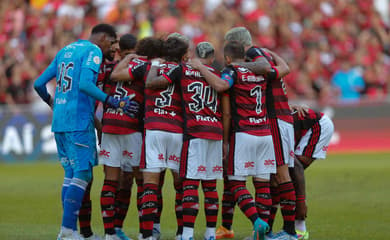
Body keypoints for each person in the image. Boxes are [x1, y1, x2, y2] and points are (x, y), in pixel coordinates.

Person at [33, 23, 138, 240]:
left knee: (71, 175)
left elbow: (38, 84)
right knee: (82, 173)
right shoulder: (93, 51)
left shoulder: (66, 50)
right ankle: (68, 232)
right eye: (113, 41)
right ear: (103, 37)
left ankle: (69, 231)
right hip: (78, 121)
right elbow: (85, 85)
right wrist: (113, 102)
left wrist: (52, 103)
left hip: (60, 121)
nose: (114, 46)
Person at [224, 27, 298, 240]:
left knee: (281, 175)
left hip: (273, 120)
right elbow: (281, 69)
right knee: (269, 179)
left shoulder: (255, 55)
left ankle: (291, 231)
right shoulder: (262, 55)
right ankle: (265, 233)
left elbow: (272, 69)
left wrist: (236, 65)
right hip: (274, 119)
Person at [109, 36, 165, 240]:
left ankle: (141, 229)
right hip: (136, 130)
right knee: (141, 182)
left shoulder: (139, 66)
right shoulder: (144, 66)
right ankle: (142, 230)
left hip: (136, 129)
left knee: (132, 181)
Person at [140, 35, 189, 240]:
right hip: (176, 130)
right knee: (180, 185)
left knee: (150, 184)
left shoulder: (152, 68)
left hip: (154, 128)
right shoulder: (185, 71)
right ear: (183, 55)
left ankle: (148, 234)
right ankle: (181, 233)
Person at [97, 33, 142, 240]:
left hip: (109, 126)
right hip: (132, 128)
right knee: (139, 180)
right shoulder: (141, 66)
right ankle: (146, 231)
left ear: (118, 50)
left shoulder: (106, 69)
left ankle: (111, 232)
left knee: (111, 180)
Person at [289, 105, 334, 240]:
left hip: (318, 126)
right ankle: (291, 228)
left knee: (290, 172)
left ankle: (299, 228)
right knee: (282, 177)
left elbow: (296, 166)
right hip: (302, 127)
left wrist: (301, 201)